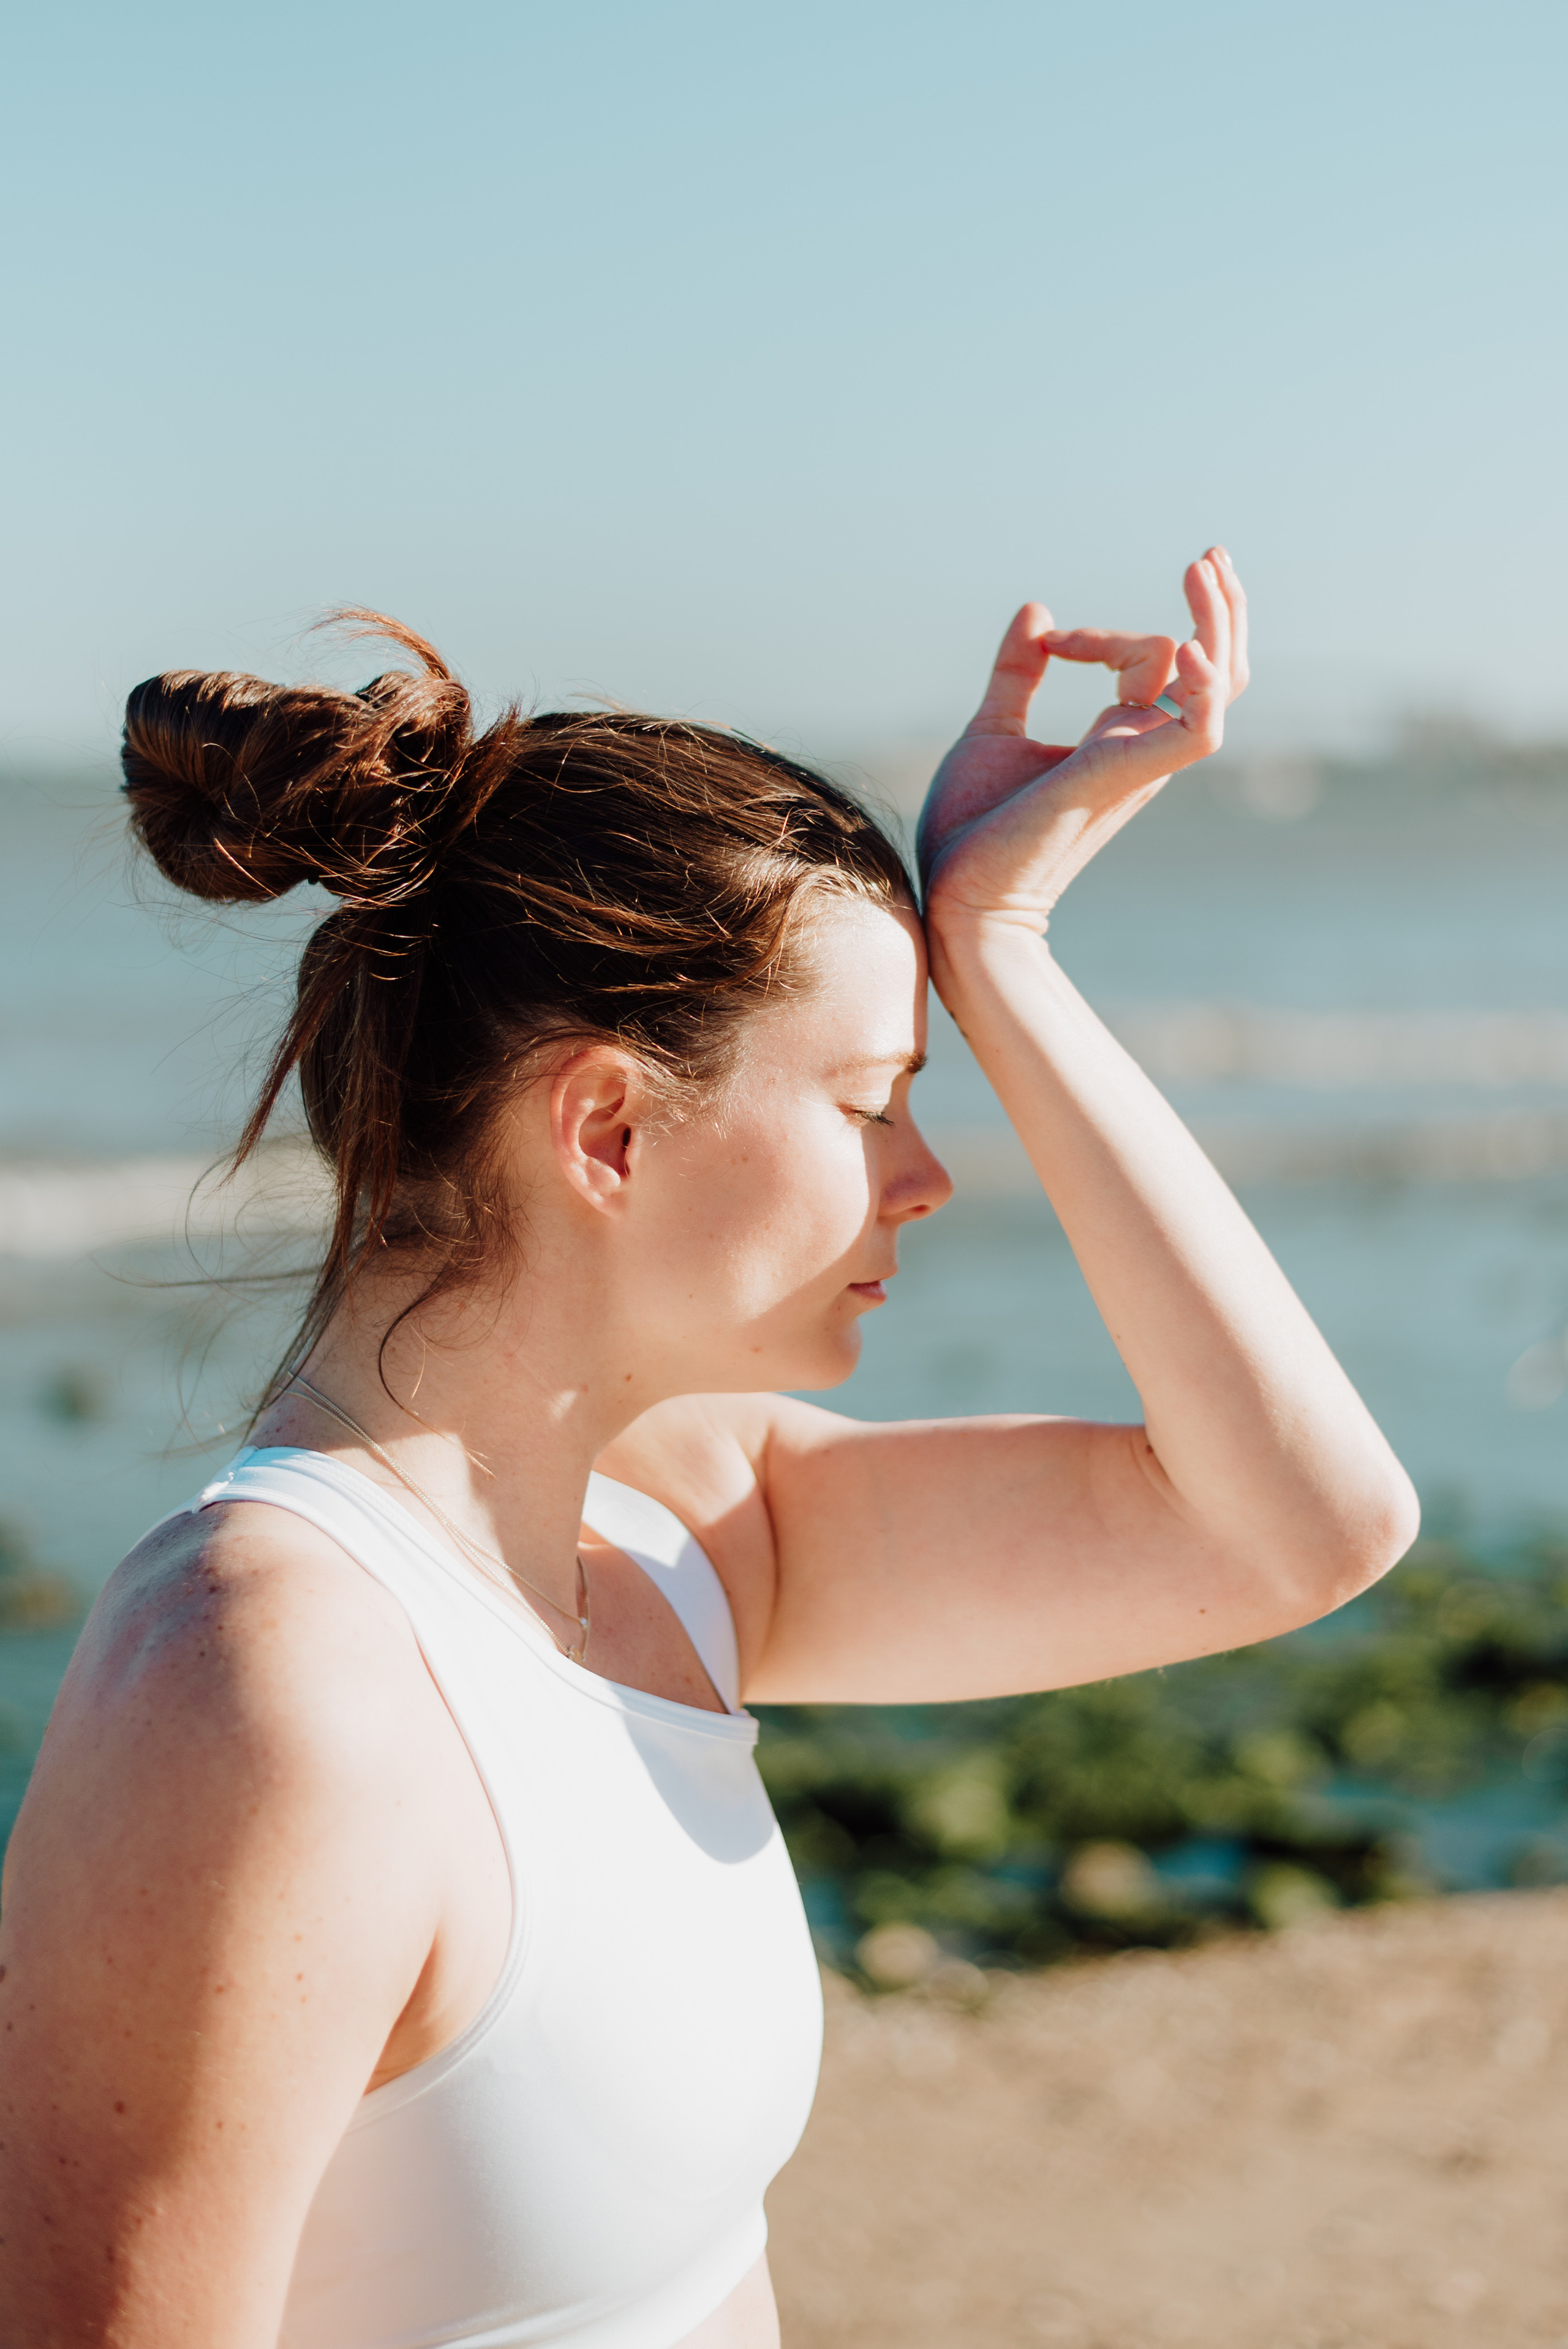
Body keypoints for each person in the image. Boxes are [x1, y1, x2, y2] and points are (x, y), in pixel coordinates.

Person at [0, 551, 1416, 2348]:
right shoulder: (264, 1686)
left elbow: (1303, 1525)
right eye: (865, 1097)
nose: (924, 1174)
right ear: (604, 1124)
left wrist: (1006, 949)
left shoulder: (675, 1531)